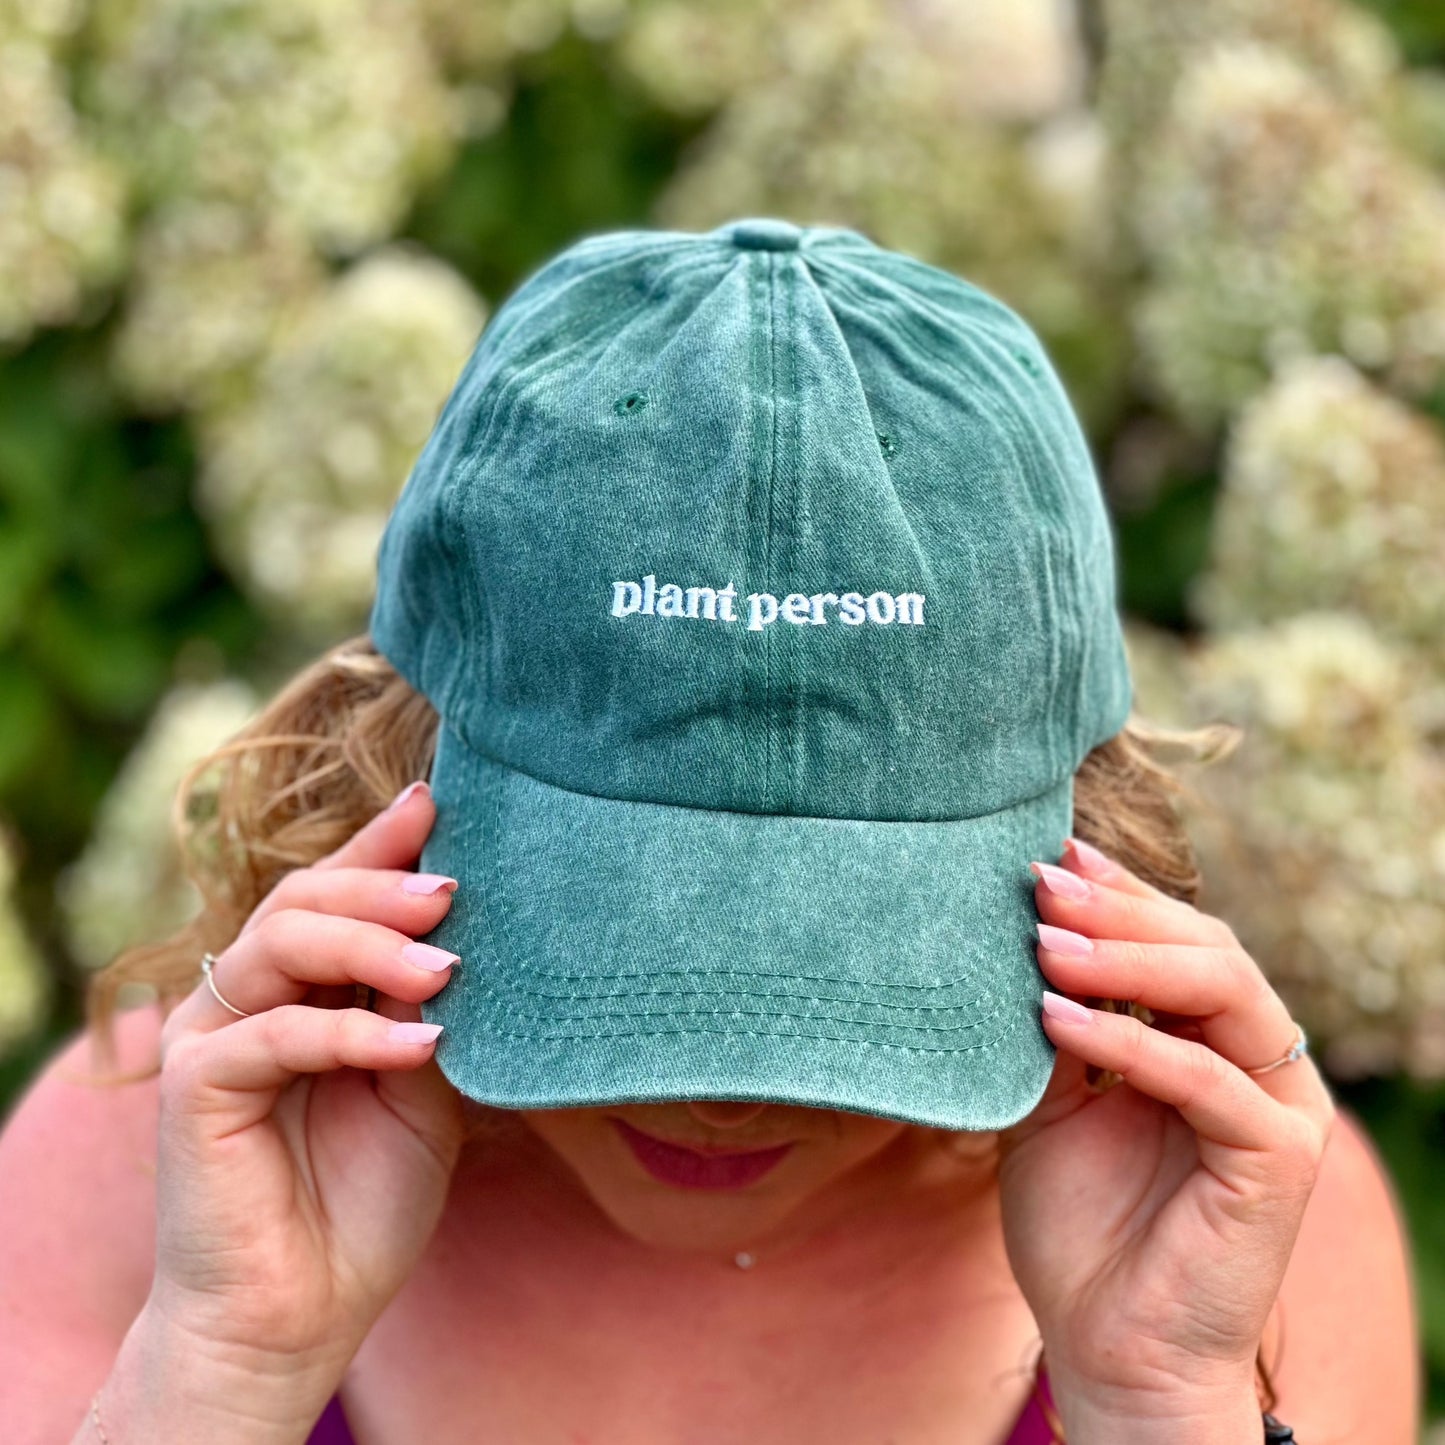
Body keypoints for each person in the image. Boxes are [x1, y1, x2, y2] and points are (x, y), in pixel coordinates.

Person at [0, 219, 1420, 1444]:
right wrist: (216, 1371)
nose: (725, 1096)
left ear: (1074, 835)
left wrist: (1162, 1397)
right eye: (634, 910)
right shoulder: (149, 1155)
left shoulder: (1247, 1227)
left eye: (837, 947)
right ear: (401, 769)